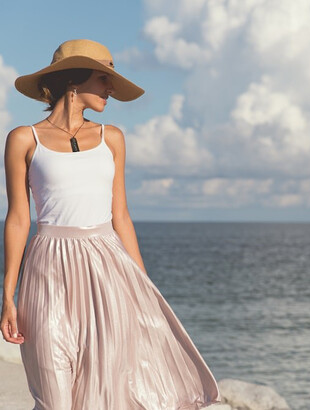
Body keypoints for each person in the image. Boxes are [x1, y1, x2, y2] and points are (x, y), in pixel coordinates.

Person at [0, 39, 221, 410]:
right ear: (74, 81)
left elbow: (121, 216)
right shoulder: (24, 138)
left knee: (105, 391)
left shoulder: (112, 138)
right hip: (47, 268)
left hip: (108, 269)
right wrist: (8, 295)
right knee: (53, 392)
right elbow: (19, 217)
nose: (110, 90)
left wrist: (143, 285)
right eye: (105, 79)